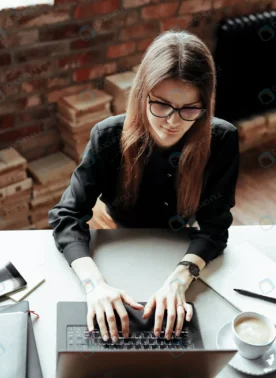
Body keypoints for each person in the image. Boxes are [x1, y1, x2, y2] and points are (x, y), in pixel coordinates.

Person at [48, 30, 240, 345]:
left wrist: (178, 283)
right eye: (161, 105)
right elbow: (67, 215)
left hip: (178, 249)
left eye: (190, 108)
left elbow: (215, 228)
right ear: (142, 95)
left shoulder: (221, 140)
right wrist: (94, 286)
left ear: (206, 104)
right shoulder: (107, 136)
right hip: (116, 243)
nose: (173, 122)